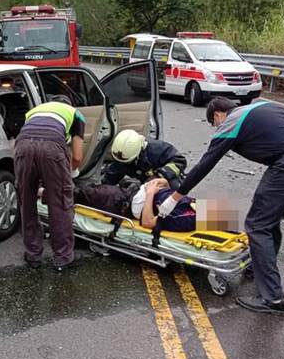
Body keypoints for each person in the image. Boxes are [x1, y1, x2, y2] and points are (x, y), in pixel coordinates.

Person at [157, 97, 284, 316]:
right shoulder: (267, 105)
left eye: (214, 123)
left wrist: (175, 197)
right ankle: (260, 266)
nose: (217, 128)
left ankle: (273, 299)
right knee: (266, 216)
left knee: (257, 224)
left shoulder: (230, 123)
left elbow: (205, 165)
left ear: (217, 114)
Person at [15, 95, 85, 271]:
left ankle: (32, 255)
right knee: (60, 203)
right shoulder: (76, 114)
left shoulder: (34, 112)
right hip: (52, 147)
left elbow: (29, 142)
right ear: (69, 105)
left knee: (27, 201)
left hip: (22, 146)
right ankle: (63, 257)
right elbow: (77, 156)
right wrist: (69, 173)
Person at [102, 129, 187, 189]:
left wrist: (159, 175)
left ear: (139, 152)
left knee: (173, 189)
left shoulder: (158, 149)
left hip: (167, 180)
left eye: (129, 162)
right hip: (145, 182)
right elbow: (112, 175)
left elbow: (180, 161)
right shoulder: (123, 155)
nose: (126, 164)